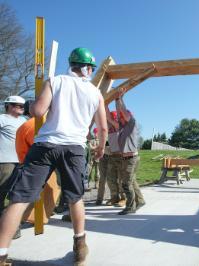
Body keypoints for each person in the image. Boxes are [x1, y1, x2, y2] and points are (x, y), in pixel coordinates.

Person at [0, 47, 107, 266]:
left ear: (71, 64)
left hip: (45, 146)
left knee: (19, 198)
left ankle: (1, 254)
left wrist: (30, 104)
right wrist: (100, 148)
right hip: (74, 148)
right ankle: (79, 248)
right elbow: (103, 128)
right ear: (88, 68)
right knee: (75, 198)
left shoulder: (55, 81)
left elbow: (38, 111)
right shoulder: (95, 93)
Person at [0, 95, 27, 216]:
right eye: (19, 106)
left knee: (16, 191)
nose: (22, 108)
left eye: (23, 106)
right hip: (6, 161)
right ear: (9, 106)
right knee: (2, 189)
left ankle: (10, 217)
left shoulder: (24, 120)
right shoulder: (2, 119)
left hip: (21, 161)